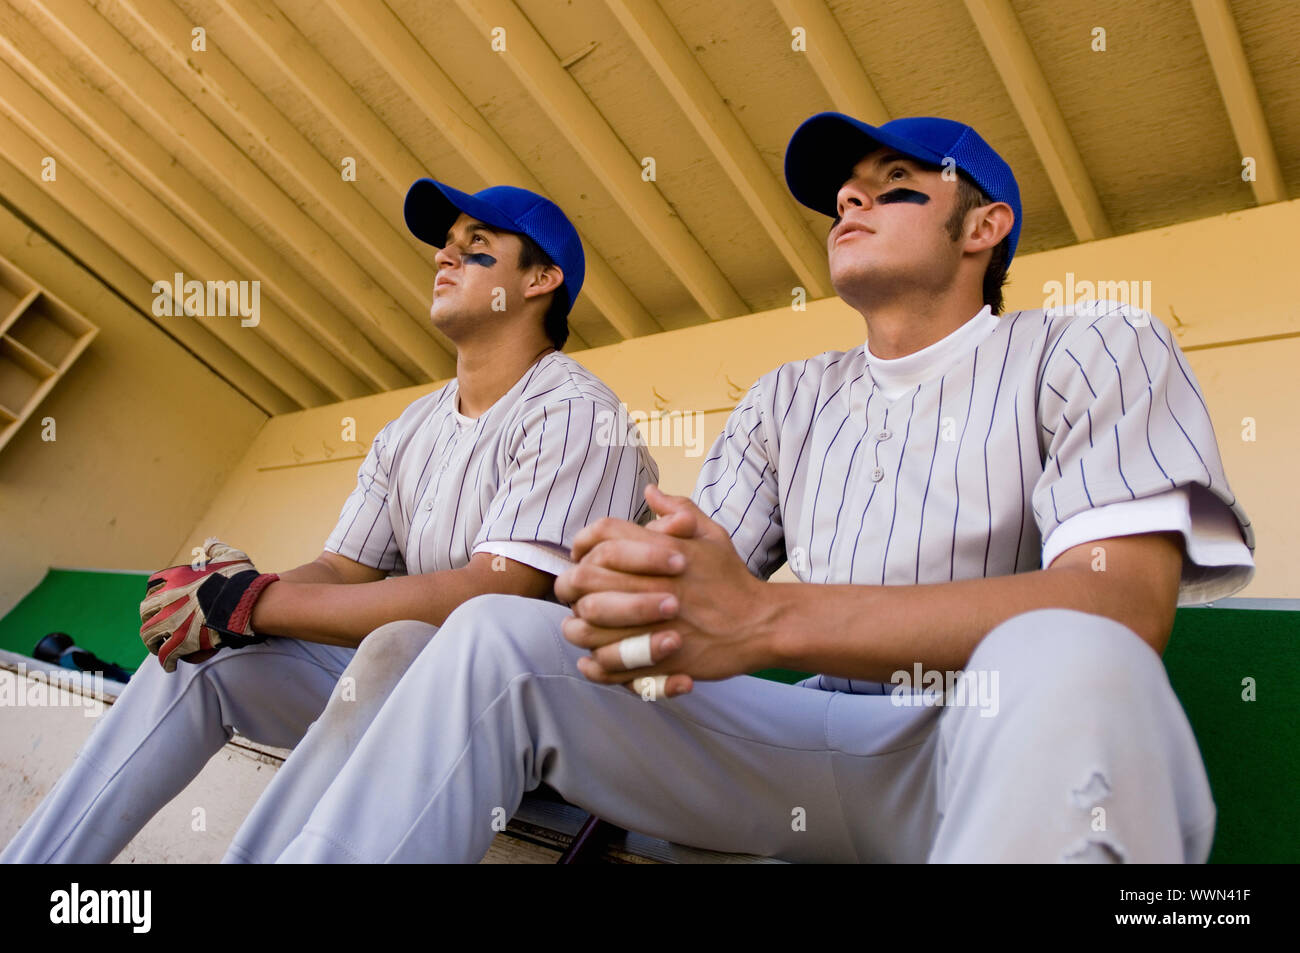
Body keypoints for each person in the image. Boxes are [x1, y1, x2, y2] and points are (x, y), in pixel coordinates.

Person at [247, 115, 1255, 864]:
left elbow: (1118, 604)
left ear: (983, 224)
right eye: (843, 194)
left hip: (992, 741)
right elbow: (693, 588)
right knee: (489, 637)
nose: (850, 201)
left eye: (894, 184)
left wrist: (764, 614)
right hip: (813, 746)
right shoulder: (787, 395)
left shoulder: (1091, 340)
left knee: (1075, 650)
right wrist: (632, 592)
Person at [1, 181, 658, 864]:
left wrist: (257, 601)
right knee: (207, 650)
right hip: (415, 708)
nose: (444, 255)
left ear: (542, 280)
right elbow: (342, 569)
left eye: (478, 248)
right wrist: (227, 596)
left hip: (560, 730)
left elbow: (491, 596)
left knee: (397, 646)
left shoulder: (578, 411)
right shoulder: (411, 427)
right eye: (446, 244)